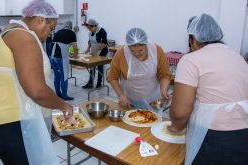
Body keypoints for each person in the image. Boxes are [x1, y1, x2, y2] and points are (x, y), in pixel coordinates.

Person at [0, 0, 74, 164]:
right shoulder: (24, 38)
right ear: (41, 20)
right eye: (51, 29)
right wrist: (64, 105)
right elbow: (36, 91)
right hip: (8, 122)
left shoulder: (9, 31)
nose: (49, 34)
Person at [167, 13, 248, 165]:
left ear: (195, 39)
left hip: (215, 136)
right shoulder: (237, 57)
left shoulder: (191, 60)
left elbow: (179, 112)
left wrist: (176, 126)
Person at [106, 28, 172, 116]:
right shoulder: (121, 53)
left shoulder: (156, 50)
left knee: (152, 123)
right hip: (129, 99)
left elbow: (164, 74)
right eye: (132, 51)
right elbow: (112, 77)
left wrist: (164, 90)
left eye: (140, 50)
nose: (137, 54)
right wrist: (120, 95)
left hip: (153, 99)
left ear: (146, 44)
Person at [50, 20, 78, 101]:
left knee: (56, 76)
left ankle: (58, 94)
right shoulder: (71, 33)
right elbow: (75, 47)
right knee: (64, 77)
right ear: (71, 27)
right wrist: (76, 56)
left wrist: (69, 53)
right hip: (61, 58)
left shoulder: (58, 32)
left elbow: (61, 44)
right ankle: (65, 96)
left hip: (52, 56)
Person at [82, 19, 108, 89]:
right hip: (94, 50)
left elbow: (105, 43)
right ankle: (90, 82)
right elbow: (89, 41)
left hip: (102, 51)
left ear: (94, 26)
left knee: (99, 67)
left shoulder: (102, 31)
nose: (89, 30)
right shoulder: (90, 32)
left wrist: (95, 51)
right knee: (92, 66)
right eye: (88, 29)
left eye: (90, 28)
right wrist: (88, 49)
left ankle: (99, 83)